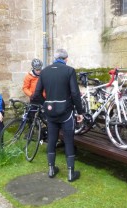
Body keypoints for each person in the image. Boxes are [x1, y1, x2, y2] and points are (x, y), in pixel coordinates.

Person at [33, 49, 84, 182]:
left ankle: (51, 169)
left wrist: (45, 105)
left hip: (50, 113)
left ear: (55, 58)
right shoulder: (69, 71)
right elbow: (75, 93)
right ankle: (70, 173)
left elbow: (36, 94)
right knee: (68, 140)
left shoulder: (44, 72)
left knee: (52, 139)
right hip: (66, 112)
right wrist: (80, 112)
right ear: (66, 59)